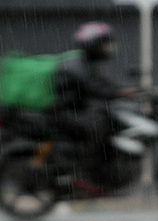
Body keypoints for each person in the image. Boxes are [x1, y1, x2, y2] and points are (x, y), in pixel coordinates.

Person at [52, 22, 135, 170]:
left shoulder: (87, 64)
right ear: (94, 45)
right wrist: (119, 93)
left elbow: (103, 84)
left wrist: (125, 90)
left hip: (77, 110)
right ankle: (85, 170)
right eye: (105, 43)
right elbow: (94, 87)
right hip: (67, 113)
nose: (109, 48)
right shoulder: (77, 65)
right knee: (99, 127)